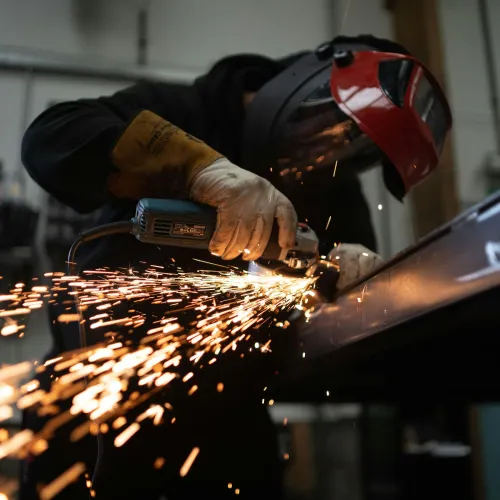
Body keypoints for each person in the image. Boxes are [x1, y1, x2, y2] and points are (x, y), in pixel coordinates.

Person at [20, 33, 452, 499]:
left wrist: (351, 286)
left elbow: (345, 304)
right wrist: (197, 168)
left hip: (226, 416)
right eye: (337, 130)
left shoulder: (331, 185)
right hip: (92, 398)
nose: (331, 154)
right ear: (306, 83)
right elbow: (51, 134)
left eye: (358, 151)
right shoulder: (186, 110)